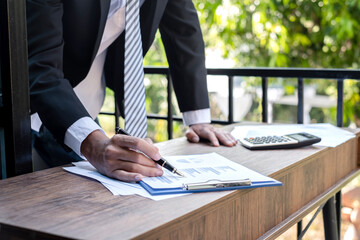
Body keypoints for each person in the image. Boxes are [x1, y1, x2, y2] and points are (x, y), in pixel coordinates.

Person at [26, 0, 237, 182]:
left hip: (82, 107)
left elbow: (184, 31)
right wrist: (94, 145)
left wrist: (198, 119)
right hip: (17, 100)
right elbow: (38, 64)